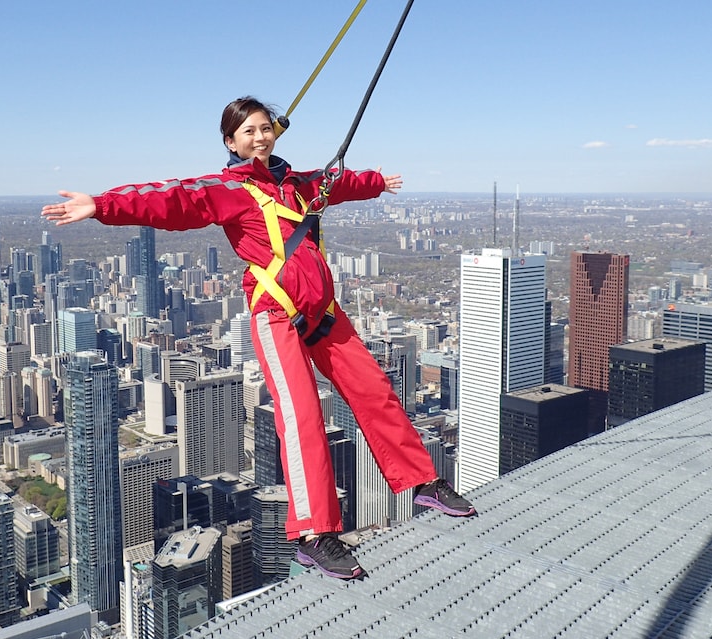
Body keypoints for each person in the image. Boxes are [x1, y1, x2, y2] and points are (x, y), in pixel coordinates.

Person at [42, 96, 474, 580]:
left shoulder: (299, 184)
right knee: (303, 416)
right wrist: (102, 205)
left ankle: (422, 481)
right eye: (247, 132)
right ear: (230, 142)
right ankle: (315, 534)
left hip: (323, 311)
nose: (259, 137)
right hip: (277, 314)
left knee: (375, 391)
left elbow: (338, 183)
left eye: (265, 128)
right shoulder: (227, 190)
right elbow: (170, 198)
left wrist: (375, 182)